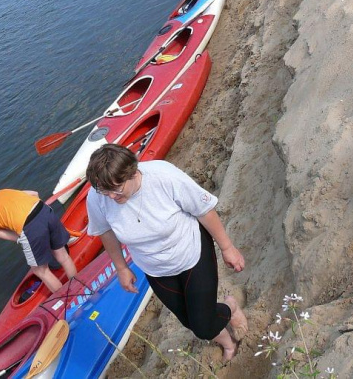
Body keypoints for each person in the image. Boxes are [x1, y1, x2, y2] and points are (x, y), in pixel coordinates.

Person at [86, 144, 247, 362]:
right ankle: (228, 340)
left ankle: (230, 307)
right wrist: (121, 267)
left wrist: (228, 248)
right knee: (189, 321)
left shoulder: (163, 176)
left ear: (132, 172)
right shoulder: (98, 196)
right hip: (155, 268)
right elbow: (105, 232)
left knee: (202, 325)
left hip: (191, 253)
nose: (112, 197)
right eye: (105, 191)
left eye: (117, 189)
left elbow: (204, 211)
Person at [0, 189, 77, 293]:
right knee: (63, 257)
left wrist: (35, 235)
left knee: (40, 271)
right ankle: (78, 286)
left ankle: (66, 298)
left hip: (30, 226)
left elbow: (16, 237)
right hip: (44, 210)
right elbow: (34, 193)